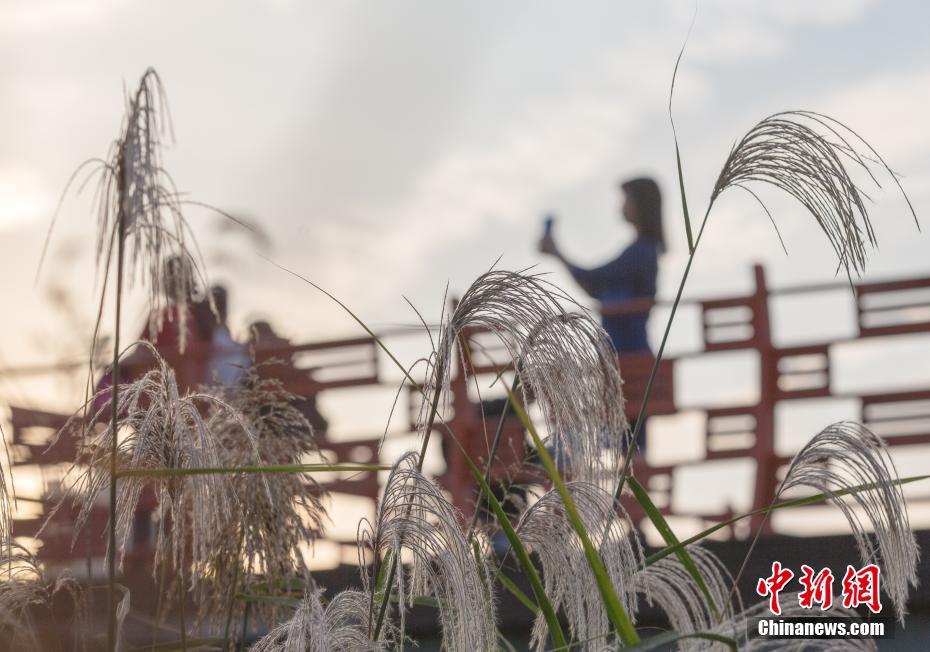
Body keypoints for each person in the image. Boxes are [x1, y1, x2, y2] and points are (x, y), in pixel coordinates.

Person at [538, 176, 665, 452]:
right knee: (629, 438)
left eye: (626, 200)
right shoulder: (643, 252)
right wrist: (557, 254)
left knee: (628, 436)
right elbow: (595, 287)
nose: (621, 207)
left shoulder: (641, 252)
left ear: (640, 205)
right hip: (622, 356)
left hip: (627, 357)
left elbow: (593, 280)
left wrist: (558, 253)